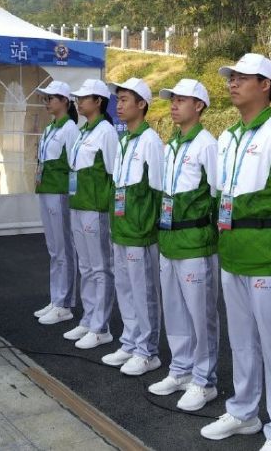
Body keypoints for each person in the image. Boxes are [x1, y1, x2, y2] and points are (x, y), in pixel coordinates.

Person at [199, 53, 271, 451]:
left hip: (269, 257)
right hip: (233, 254)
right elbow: (219, 196)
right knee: (242, 341)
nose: (232, 83)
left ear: (265, 85)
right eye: (231, 77)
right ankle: (244, 411)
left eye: (242, 77)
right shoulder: (228, 137)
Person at [148, 78, 221, 412]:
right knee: (175, 310)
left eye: (181, 100)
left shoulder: (207, 144)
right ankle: (180, 369)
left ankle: (204, 381)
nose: (174, 105)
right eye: (172, 99)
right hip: (170, 239)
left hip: (195, 242)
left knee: (201, 316)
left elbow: (218, 195)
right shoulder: (173, 143)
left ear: (199, 106)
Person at [100, 77, 165, 376]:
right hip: (121, 229)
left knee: (144, 293)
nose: (119, 105)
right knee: (125, 289)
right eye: (119, 99)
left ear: (142, 104)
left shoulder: (151, 141)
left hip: (140, 233)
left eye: (125, 99)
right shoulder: (124, 140)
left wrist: (148, 227)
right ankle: (130, 341)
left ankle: (147, 351)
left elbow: (158, 191)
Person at [63, 79, 119, 350]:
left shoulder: (106, 132)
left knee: (100, 268)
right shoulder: (84, 130)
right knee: (85, 268)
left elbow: (113, 174)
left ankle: (101, 326)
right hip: (78, 204)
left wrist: (108, 208)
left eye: (84, 98)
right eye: (78, 98)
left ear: (98, 101)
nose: (79, 102)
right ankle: (88, 318)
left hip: (96, 209)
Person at [33, 81, 81, 326]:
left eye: (51, 98)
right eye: (46, 98)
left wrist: (72, 196)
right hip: (46, 190)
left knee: (63, 249)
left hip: (60, 193)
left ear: (65, 101)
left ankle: (64, 304)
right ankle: (56, 299)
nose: (47, 102)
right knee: (54, 250)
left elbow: (74, 167)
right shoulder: (50, 127)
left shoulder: (70, 129)